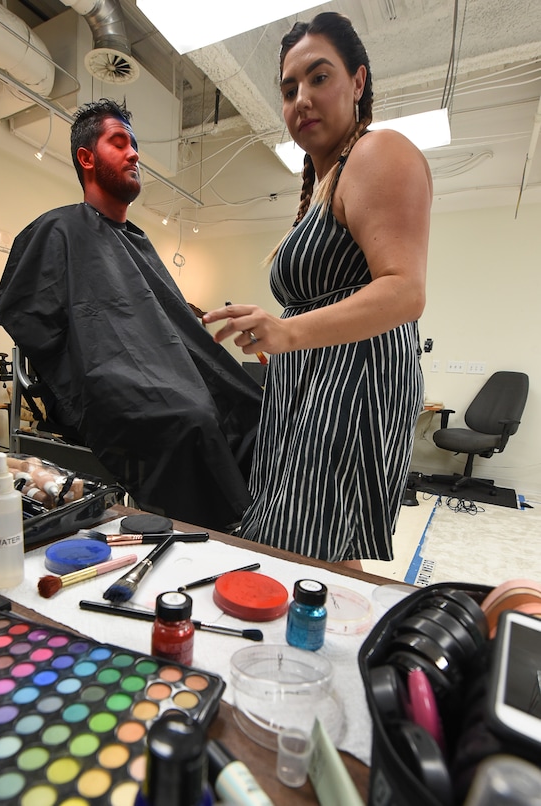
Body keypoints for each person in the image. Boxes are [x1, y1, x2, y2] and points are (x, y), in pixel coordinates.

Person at [203, 12, 432, 567]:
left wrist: (287, 329)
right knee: (313, 546)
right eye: (288, 89)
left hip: (352, 381)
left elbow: (405, 291)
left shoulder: (380, 152)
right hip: (309, 380)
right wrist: (279, 325)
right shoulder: (328, 180)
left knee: (303, 545)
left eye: (318, 77)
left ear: (358, 81)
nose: (300, 98)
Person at [0, 99, 262, 531]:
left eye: (135, 144)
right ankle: (210, 531)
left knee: (251, 404)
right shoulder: (58, 230)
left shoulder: (138, 242)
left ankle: (256, 522)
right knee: (192, 419)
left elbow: (164, 322)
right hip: (109, 381)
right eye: (120, 143)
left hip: (161, 373)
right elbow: (42, 323)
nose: (135, 153)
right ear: (87, 158)